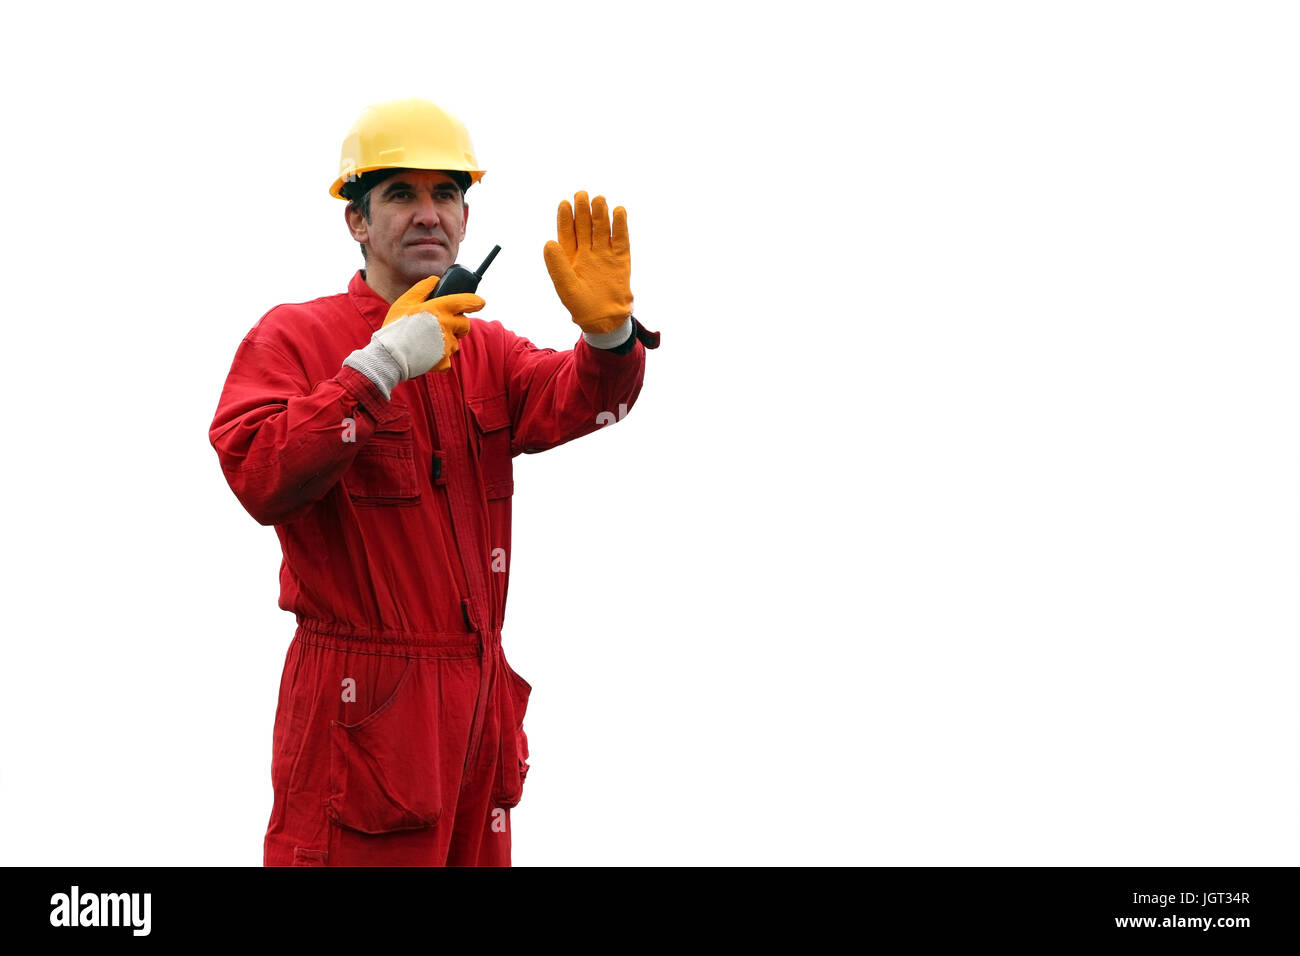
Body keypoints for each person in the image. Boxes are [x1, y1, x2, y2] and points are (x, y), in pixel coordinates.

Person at [208, 97, 658, 866]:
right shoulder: (296, 337)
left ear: (465, 216)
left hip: (474, 711)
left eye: (445, 194)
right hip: (362, 708)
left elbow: (585, 401)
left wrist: (609, 337)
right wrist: (377, 369)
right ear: (356, 221)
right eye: (401, 195)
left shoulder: (483, 348)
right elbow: (258, 472)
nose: (428, 214)